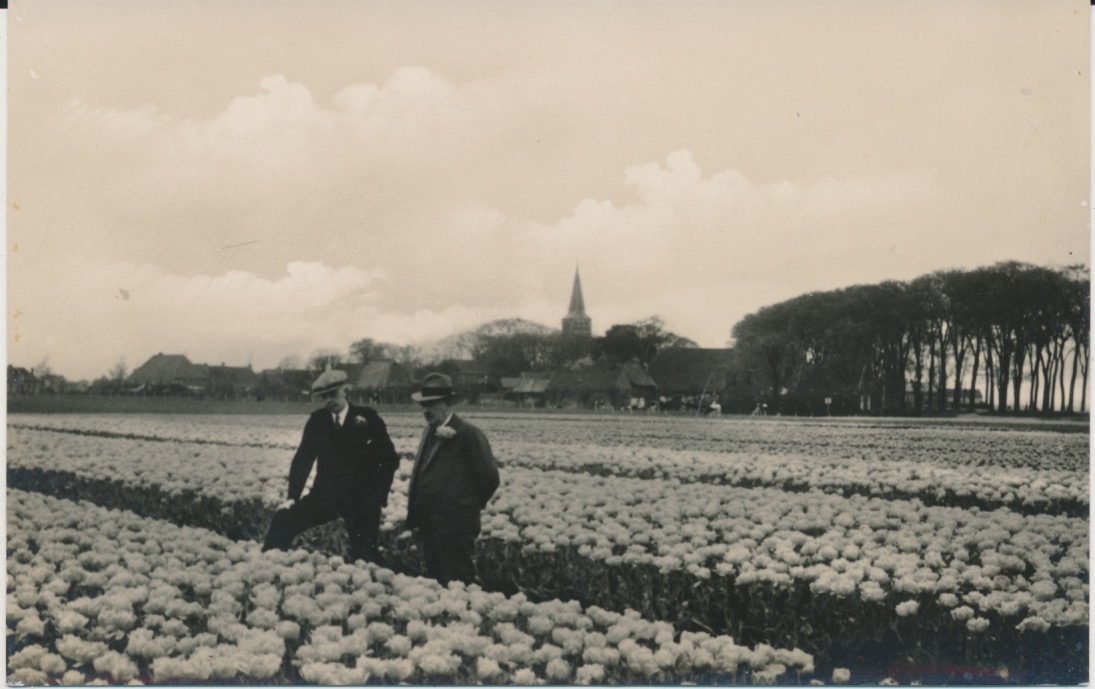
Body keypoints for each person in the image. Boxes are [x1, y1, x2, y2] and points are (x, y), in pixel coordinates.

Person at [262, 368, 400, 563]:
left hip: (361, 499)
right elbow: (303, 459)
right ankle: (269, 567)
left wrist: (377, 496)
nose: (328, 400)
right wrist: (292, 497)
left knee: (366, 556)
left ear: (346, 391)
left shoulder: (368, 418)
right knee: (284, 520)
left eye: (333, 394)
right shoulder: (317, 421)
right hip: (326, 496)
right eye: (324, 396)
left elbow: (390, 459)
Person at [406, 373, 500, 585]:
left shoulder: (469, 434)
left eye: (432, 404)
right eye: (423, 405)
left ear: (447, 403)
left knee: (459, 579)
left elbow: (489, 478)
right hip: (429, 524)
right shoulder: (428, 432)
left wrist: (465, 505)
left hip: (456, 526)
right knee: (437, 579)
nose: (426, 410)